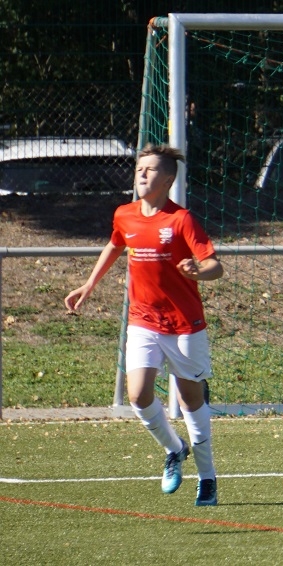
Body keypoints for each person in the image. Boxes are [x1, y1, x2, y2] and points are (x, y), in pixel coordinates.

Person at [65, 144, 223, 505]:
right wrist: (89, 285)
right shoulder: (124, 215)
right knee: (137, 394)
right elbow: (115, 245)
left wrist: (198, 271)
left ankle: (208, 477)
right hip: (143, 320)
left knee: (190, 399)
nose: (141, 174)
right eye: (139, 169)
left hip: (184, 325)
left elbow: (215, 266)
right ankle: (174, 448)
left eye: (150, 170)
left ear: (167, 180)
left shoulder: (181, 220)